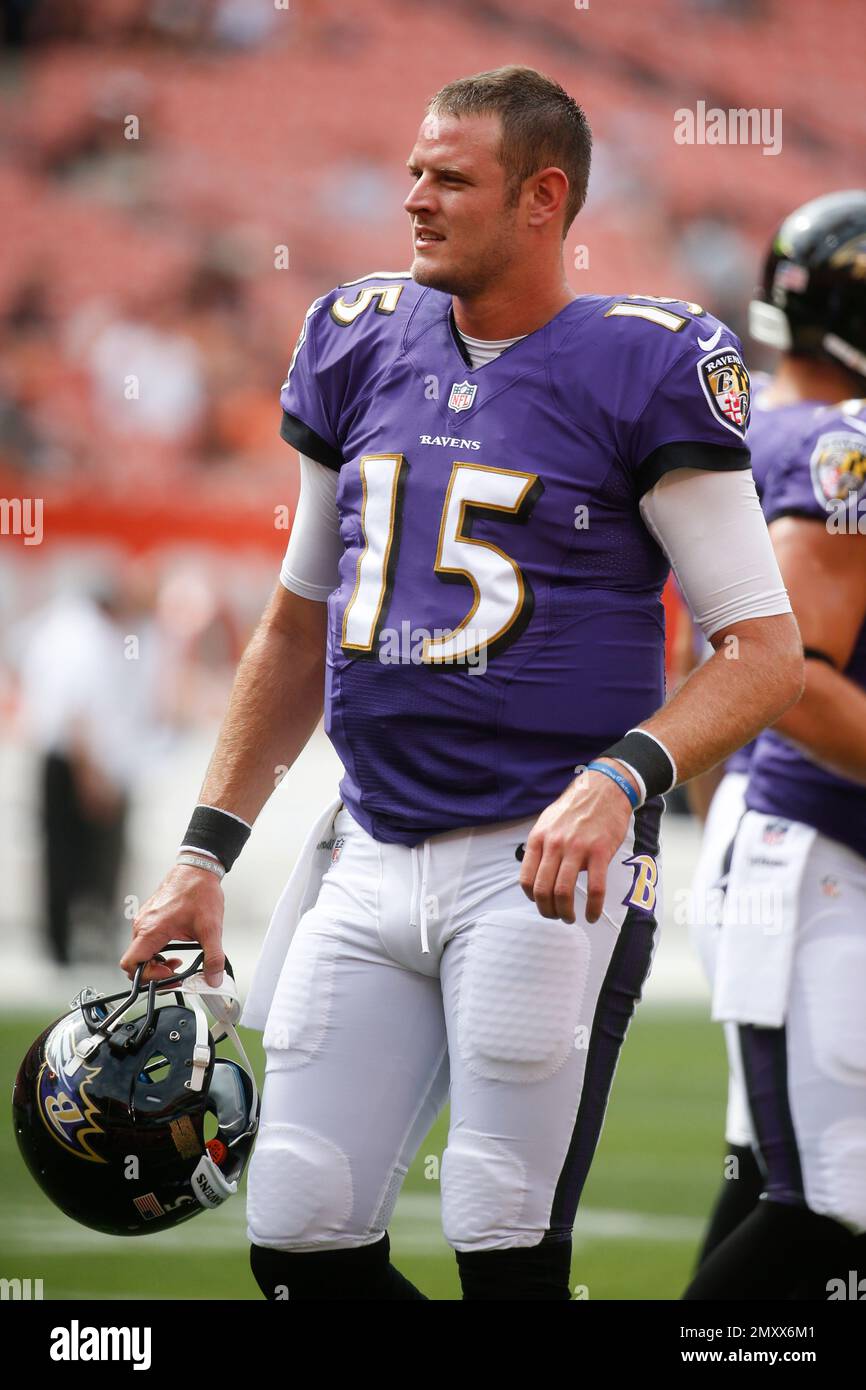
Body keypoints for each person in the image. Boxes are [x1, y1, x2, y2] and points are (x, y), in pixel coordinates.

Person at [122, 65, 801, 1301]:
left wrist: (620, 778)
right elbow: (292, 628)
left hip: (543, 871)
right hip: (370, 847)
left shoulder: (641, 365)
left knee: (501, 1245)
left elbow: (761, 649)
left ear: (542, 199)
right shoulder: (353, 337)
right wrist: (204, 852)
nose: (414, 200)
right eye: (412, 172)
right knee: (297, 1242)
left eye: (449, 179)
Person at [684, 190, 866, 1300]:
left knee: (770, 1172)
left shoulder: (767, 434)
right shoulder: (840, 447)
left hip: (774, 828)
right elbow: (785, 677)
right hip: (811, 850)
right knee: (831, 1209)